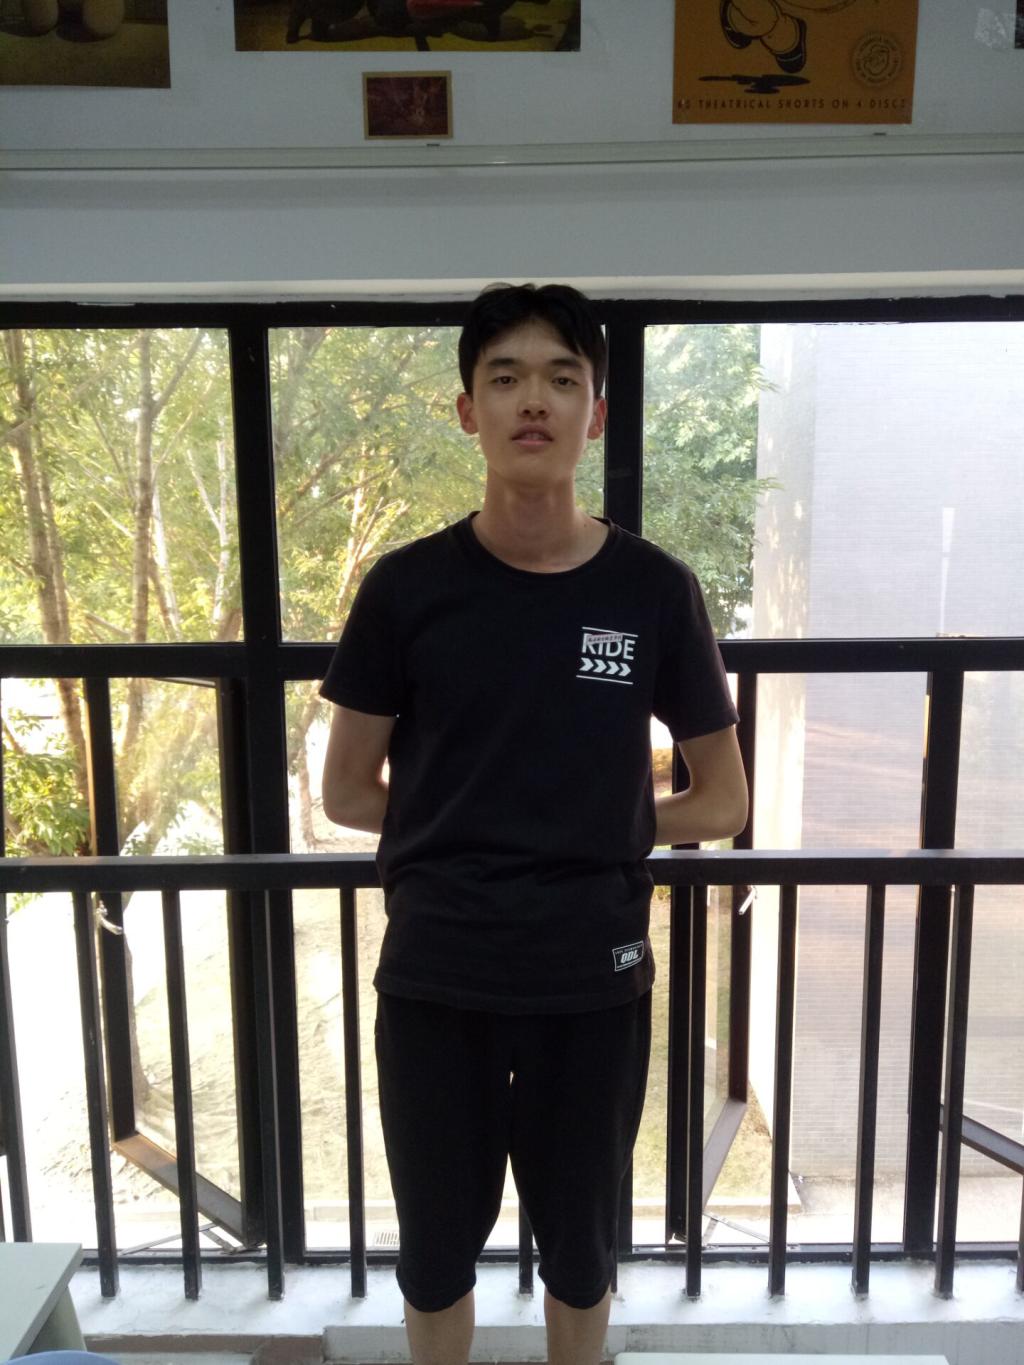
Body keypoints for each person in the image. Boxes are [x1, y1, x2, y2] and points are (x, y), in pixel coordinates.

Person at [318, 282, 749, 1365]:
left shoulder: (654, 589)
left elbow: (723, 798)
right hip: (438, 972)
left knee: (581, 1250)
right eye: (504, 377)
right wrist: (477, 824)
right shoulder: (405, 589)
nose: (533, 400)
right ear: (468, 409)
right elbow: (348, 790)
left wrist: (596, 825)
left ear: (595, 412)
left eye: (562, 378)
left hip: (591, 976)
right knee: (433, 1253)